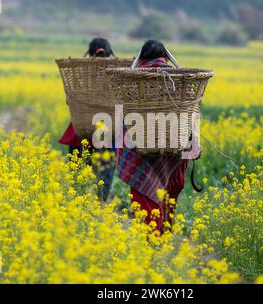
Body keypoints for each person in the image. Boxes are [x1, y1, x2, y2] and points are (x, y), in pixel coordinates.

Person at [117, 40, 201, 233]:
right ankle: (163, 240)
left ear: (143, 57)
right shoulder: (181, 80)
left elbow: (124, 119)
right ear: (165, 57)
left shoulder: (132, 82)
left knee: (145, 196)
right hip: (173, 152)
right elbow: (192, 114)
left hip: (141, 154)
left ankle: (151, 243)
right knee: (168, 197)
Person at [59, 37, 116, 200]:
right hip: (107, 133)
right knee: (105, 172)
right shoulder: (118, 74)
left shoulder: (79, 74)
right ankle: (101, 203)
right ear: (110, 53)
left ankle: (78, 204)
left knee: (77, 178)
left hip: (80, 132)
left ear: (89, 53)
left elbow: (69, 101)